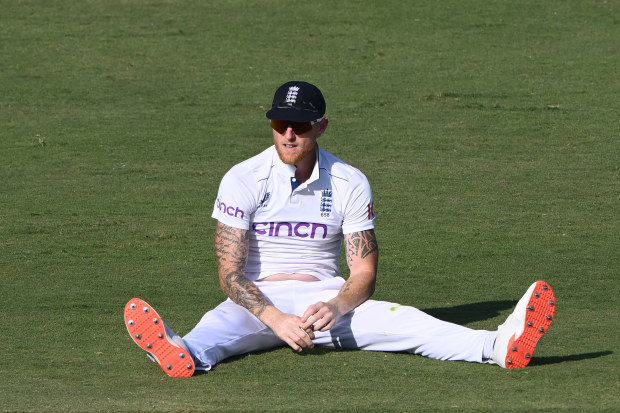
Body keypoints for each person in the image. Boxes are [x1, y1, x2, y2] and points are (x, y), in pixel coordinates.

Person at [124, 81, 556, 377]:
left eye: (300, 125)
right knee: (212, 335)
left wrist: (337, 306)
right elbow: (229, 274)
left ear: (322, 126)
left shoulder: (349, 180)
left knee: (407, 322)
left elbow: (363, 274)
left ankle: (498, 346)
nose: (288, 135)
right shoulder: (242, 177)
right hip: (258, 300)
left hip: (323, 297)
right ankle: (179, 352)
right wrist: (275, 319)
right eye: (279, 124)